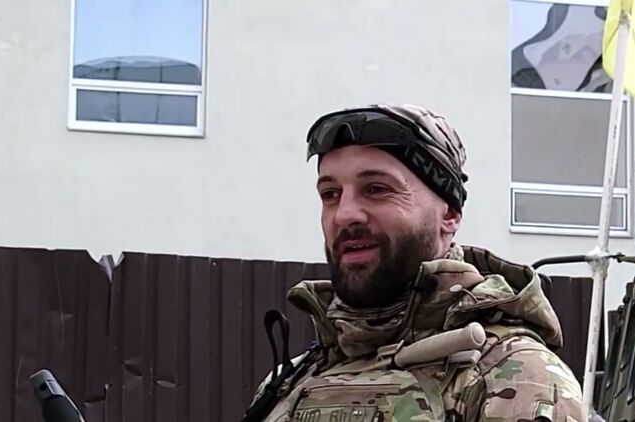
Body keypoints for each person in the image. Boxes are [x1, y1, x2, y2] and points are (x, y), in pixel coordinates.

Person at [244, 104, 584, 421]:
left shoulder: (514, 376)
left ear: (449, 214)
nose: (344, 214)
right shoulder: (290, 381)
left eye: (376, 189)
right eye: (330, 194)